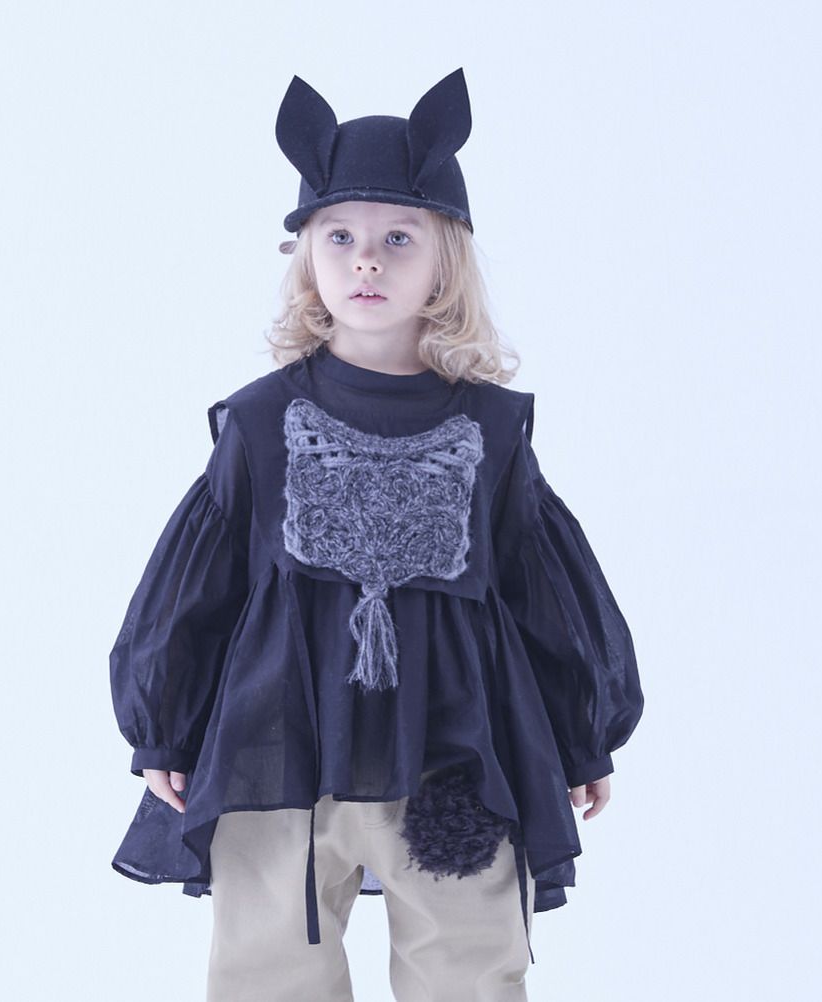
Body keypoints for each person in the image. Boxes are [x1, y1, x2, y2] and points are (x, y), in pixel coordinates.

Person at [108, 67, 644, 1002]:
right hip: (276, 753)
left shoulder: (492, 431)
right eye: (340, 237)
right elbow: (199, 585)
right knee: (268, 969)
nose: (367, 261)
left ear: (446, 260)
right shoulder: (260, 424)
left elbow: (543, 590)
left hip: (455, 757)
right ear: (306, 255)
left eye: (398, 238)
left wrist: (579, 735)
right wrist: (164, 726)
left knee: (468, 966)